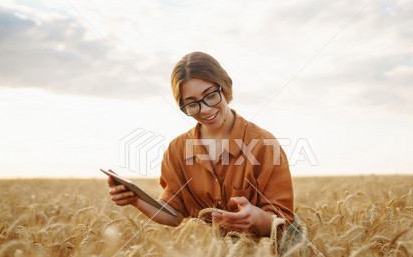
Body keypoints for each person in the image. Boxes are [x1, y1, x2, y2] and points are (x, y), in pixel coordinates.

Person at [108, 51, 299, 243]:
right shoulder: (177, 149)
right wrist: (135, 199)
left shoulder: (264, 144)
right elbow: (173, 215)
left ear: (223, 88)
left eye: (210, 95)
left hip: (268, 256)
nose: (205, 109)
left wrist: (255, 217)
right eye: (192, 104)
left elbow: (282, 223)